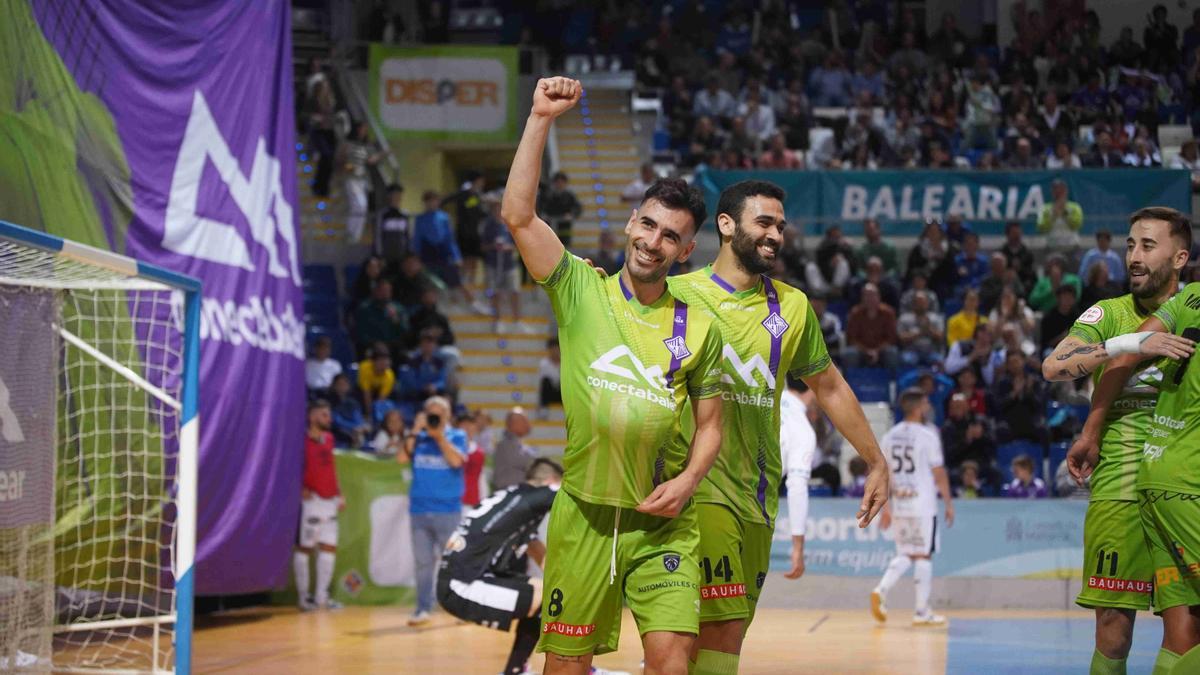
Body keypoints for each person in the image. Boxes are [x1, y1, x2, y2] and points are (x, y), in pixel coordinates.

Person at [500, 77, 727, 675]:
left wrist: (690, 481)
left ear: (686, 251)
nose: (654, 242)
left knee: (674, 661)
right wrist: (540, 117)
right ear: (632, 222)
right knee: (566, 667)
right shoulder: (579, 288)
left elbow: (710, 426)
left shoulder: (701, 326)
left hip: (664, 525)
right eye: (648, 225)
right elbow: (518, 216)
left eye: (670, 236)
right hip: (584, 516)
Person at [666, 180, 889, 671]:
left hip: (758, 497)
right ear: (726, 225)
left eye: (780, 227)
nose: (775, 235)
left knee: (722, 639)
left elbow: (828, 386)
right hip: (700, 489)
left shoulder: (791, 306)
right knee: (711, 632)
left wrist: (875, 461)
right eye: (763, 223)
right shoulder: (676, 293)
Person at [1049, 208, 1195, 675]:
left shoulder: (1191, 305)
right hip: (1121, 480)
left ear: (1179, 258)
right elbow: (1054, 367)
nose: (1134, 256)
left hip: (1182, 478)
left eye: (1148, 246)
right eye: (1131, 245)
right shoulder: (1109, 314)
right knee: (1113, 628)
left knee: (1188, 626)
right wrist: (1126, 344)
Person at [437, 459, 565, 675]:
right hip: (461, 585)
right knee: (551, 598)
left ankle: (518, 670)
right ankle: (572, 668)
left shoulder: (513, 498)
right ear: (551, 481)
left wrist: (565, 582)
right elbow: (570, 493)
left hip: (470, 578)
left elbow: (536, 549)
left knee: (554, 593)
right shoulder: (532, 497)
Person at [871, 388, 953, 627]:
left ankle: (881, 589)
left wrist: (886, 507)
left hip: (901, 503)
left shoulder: (890, 436)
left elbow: (883, 473)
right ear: (918, 407)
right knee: (923, 554)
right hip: (923, 503)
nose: (928, 406)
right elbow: (938, 473)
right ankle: (921, 611)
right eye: (926, 402)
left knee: (906, 553)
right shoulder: (928, 435)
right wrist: (948, 502)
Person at [401, 396, 468, 626]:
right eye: (430, 412)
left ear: (448, 415)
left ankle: (461, 608)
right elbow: (401, 457)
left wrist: (439, 437)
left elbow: (456, 462)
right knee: (423, 563)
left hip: (448, 510)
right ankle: (423, 608)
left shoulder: (457, 435)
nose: (434, 417)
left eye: (438, 413)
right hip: (419, 510)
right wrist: (414, 430)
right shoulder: (417, 437)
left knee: (453, 562)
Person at [295, 400, 345, 611]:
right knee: (305, 548)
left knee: (328, 548)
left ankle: (322, 597)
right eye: (324, 415)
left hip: (330, 500)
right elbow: (292, 467)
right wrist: (299, 487)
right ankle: (304, 598)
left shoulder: (330, 439)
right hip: (311, 501)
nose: (329, 419)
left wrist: (339, 493)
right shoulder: (301, 441)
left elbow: (331, 468)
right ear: (312, 416)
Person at [779, 377, 817, 583]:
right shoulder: (802, 429)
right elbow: (797, 489)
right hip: (747, 500)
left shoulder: (766, 398)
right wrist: (797, 548)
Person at [480, 195, 523, 333]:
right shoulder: (488, 226)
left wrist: (508, 247)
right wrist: (493, 246)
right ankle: (497, 320)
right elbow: (482, 247)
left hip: (509, 264)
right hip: (493, 264)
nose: (498, 210)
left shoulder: (510, 224)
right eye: (495, 208)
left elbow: (518, 244)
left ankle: (517, 320)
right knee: (495, 293)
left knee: (515, 291)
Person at [442, 172, 488, 296]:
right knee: (464, 261)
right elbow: (445, 200)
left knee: (474, 261)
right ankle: (460, 287)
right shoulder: (463, 193)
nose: (482, 183)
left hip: (475, 234)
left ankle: (471, 288)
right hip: (463, 233)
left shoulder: (477, 196)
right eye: (481, 180)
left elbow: (481, 213)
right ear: (475, 181)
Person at [339, 121, 384, 243]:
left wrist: (382, 154)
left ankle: (355, 235)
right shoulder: (348, 144)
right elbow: (342, 161)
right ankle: (350, 233)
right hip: (351, 178)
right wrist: (348, 166)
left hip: (363, 179)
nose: (363, 131)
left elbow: (371, 160)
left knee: (362, 207)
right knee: (359, 205)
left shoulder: (367, 146)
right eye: (362, 128)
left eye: (365, 129)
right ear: (357, 129)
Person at [843, 283, 900, 371]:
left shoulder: (888, 313)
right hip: (861, 351)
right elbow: (852, 339)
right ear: (862, 298)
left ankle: (892, 380)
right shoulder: (855, 313)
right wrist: (867, 351)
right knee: (850, 353)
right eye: (866, 295)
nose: (870, 299)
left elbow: (891, 338)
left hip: (882, 350)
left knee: (892, 352)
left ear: (879, 297)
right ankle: (851, 381)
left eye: (873, 295)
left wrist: (876, 351)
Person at [354, 279, 409, 358]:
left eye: (388, 290)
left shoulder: (398, 308)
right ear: (376, 291)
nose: (385, 293)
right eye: (382, 290)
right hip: (372, 346)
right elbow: (360, 332)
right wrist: (375, 343)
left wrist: (396, 320)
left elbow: (405, 331)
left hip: (393, 347)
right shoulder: (365, 308)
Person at [898, 292, 945, 368]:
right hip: (911, 352)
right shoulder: (904, 318)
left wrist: (929, 329)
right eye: (918, 303)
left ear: (927, 303)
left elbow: (940, 337)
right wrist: (920, 332)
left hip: (931, 352)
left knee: (939, 360)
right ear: (913, 304)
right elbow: (901, 338)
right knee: (907, 360)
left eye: (923, 302)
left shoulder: (936, 318)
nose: (921, 305)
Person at [537, 171, 582, 249]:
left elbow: (577, 208)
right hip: (550, 226)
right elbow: (541, 207)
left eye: (562, 182)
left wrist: (571, 215)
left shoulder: (569, 196)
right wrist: (544, 215)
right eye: (558, 182)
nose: (560, 185)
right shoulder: (548, 195)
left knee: (564, 247)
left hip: (564, 228)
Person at [1037, 179, 1084, 254]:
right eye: (1055, 189)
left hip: (1072, 247)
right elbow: (1041, 228)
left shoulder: (1075, 207)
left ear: (1066, 191)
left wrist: (1064, 213)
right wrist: (1053, 215)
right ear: (1052, 192)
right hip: (1052, 247)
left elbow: (1077, 225)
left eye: (1061, 190)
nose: (1058, 192)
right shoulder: (1045, 208)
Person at [375, 183, 413, 267]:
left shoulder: (405, 215)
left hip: (402, 257)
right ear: (389, 196)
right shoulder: (383, 215)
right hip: (387, 257)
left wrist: (409, 254)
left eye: (399, 195)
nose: (397, 197)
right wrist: (380, 256)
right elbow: (378, 236)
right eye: (394, 195)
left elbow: (408, 236)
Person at [329, 374, 370, 448]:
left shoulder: (353, 402)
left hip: (356, 431)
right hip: (338, 431)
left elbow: (358, 418)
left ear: (349, 386)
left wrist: (360, 427)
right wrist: (353, 428)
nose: (342, 387)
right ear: (334, 386)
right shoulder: (330, 402)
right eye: (339, 384)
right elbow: (336, 420)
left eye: (345, 384)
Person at [1039, 284, 1080, 357]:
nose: (1068, 299)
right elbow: (1046, 343)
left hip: (1073, 347)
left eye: (1070, 297)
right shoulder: (1049, 317)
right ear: (1058, 299)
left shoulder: (1077, 316)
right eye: (1065, 297)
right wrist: (1063, 337)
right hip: (1053, 348)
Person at [357, 343, 395, 416]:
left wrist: (375, 414)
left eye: (386, 360)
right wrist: (369, 414)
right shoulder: (364, 367)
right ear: (373, 361)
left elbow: (381, 399)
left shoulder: (390, 375)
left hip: (378, 395)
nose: (384, 363)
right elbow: (366, 393)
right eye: (380, 360)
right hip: (361, 393)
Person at [1000, 221, 1037, 292]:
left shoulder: (1028, 254)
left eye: (1019, 233)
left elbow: (1032, 275)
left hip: (1024, 287)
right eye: (1014, 233)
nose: (1017, 236)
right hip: (1005, 287)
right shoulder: (1001, 253)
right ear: (1007, 235)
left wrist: (1020, 269)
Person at [537, 338, 562, 415]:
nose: (555, 352)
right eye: (552, 349)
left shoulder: (565, 362)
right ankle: (544, 409)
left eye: (556, 349)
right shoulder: (544, 364)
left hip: (561, 392)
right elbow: (540, 382)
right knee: (545, 381)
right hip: (550, 392)